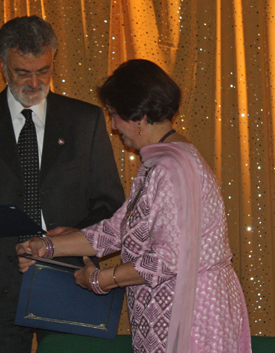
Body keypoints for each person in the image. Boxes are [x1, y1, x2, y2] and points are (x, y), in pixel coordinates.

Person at [17, 59, 252, 353]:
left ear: (139, 116)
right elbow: (117, 231)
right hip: (178, 309)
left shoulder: (170, 169)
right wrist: (47, 247)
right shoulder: (162, 162)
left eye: (114, 115)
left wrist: (102, 279)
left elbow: (166, 260)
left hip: (191, 315)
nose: (114, 126)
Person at [0, 15, 125, 353]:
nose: (35, 82)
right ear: (2, 65)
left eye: (44, 71)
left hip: (69, 281)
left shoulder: (86, 121)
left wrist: (69, 238)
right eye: (23, 72)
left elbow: (110, 205)